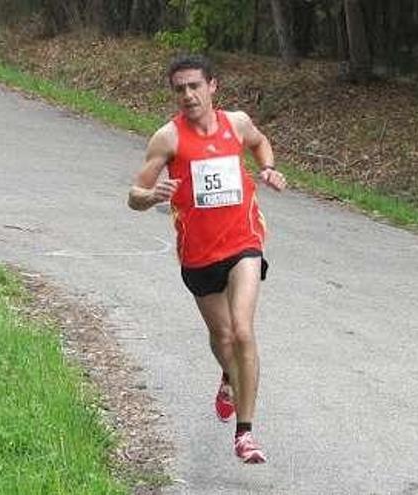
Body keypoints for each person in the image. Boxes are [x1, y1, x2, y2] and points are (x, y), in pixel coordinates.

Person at [127, 54, 286, 464]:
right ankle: (228, 373)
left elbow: (260, 142)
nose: (188, 95)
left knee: (243, 330)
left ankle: (245, 434)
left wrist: (267, 168)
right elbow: (134, 195)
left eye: (195, 86)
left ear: (212, 86)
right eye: (180, 89)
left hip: (243, 241)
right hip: (198, 254)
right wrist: (153, 195)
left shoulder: (237, 123)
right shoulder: (168, 138)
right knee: (224, 339)